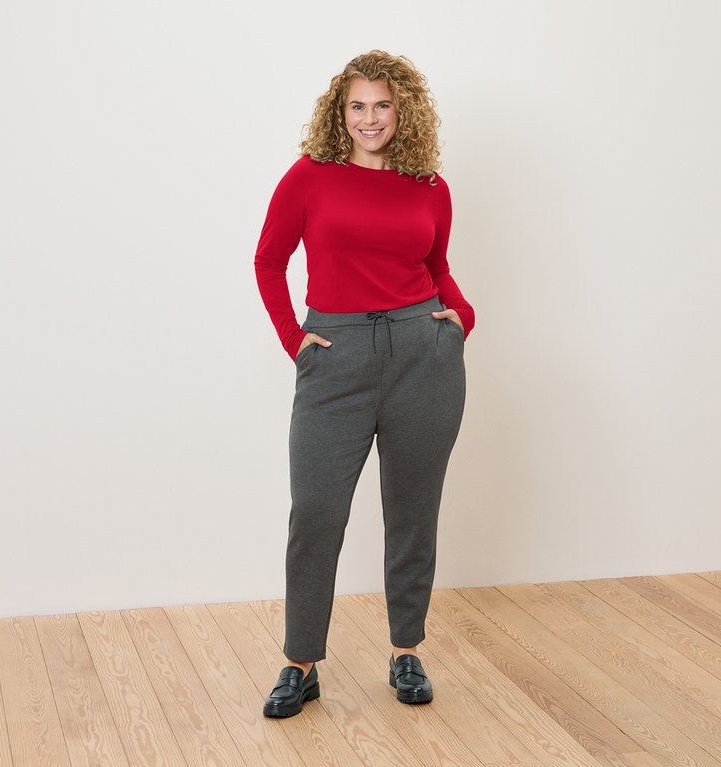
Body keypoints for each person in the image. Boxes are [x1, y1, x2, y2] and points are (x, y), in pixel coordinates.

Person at [254, 50, 474, 718]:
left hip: (422, 356)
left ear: (402, 111)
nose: (369, 118)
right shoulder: (309, 177)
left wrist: (461, 318)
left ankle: (406, 650)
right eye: (357, 106)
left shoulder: (429, 185)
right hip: (336, 358)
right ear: (339, 112)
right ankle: (300, 662)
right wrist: (295, 338)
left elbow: (437, 266)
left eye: (382, 105)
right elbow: (269, 259)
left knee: (412, 513)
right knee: (316, 512)